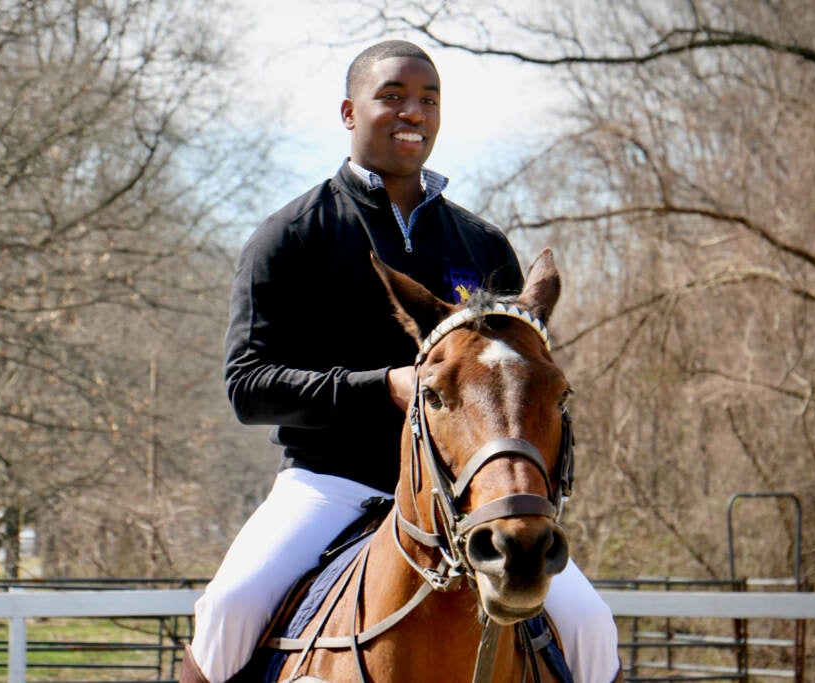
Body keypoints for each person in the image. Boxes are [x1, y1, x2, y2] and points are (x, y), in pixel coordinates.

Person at [182, 40, 620, 683]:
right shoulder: (291, 234)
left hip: (469, 494)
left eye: (428, 99)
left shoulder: (482, 242)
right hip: (331, 482)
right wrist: (382, 386)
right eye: (392, 96)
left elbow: (508, 379)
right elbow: (249, 387)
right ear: (349, 112)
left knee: (591, 626)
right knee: (229, 608)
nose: (413, 111)